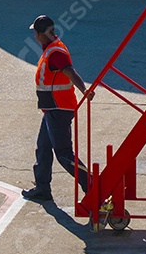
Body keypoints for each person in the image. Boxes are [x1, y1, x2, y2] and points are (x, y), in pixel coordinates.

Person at [21, 14, 94, 202]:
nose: (35, 37)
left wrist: (84, 90)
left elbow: (70, 71)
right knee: (43, 148)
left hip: (59, 109)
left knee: (64, 154)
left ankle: (92, 186)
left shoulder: (55, 53)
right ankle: (42, 188)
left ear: (39, 35)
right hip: (52, 109)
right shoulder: (52, 49)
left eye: (36, 33)